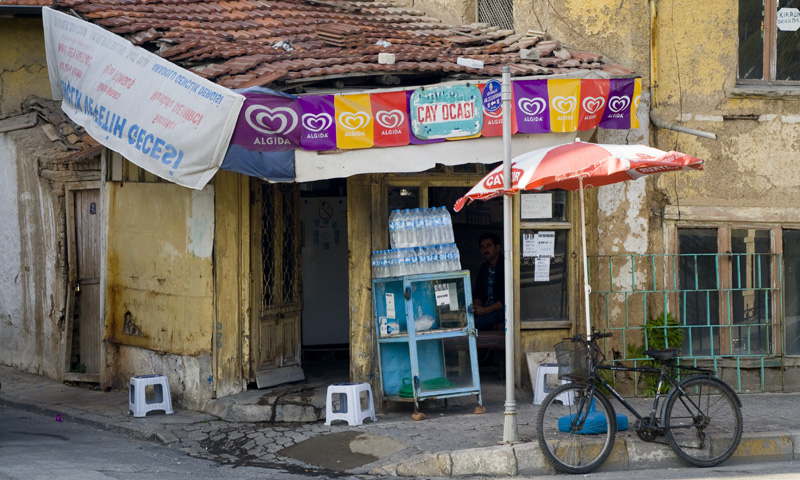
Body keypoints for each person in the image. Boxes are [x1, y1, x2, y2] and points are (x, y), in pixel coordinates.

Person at [472, 233, 505, 331]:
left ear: (498, 247)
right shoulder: (484, 268)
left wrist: (485, 310)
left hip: (501, 311)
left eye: (488, 246)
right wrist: (476, 308)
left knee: (473, 325)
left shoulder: (506, 265)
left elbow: (507, 298)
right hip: (487, 310)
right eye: (482, 247)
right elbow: (479, 292)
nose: (485, 250)